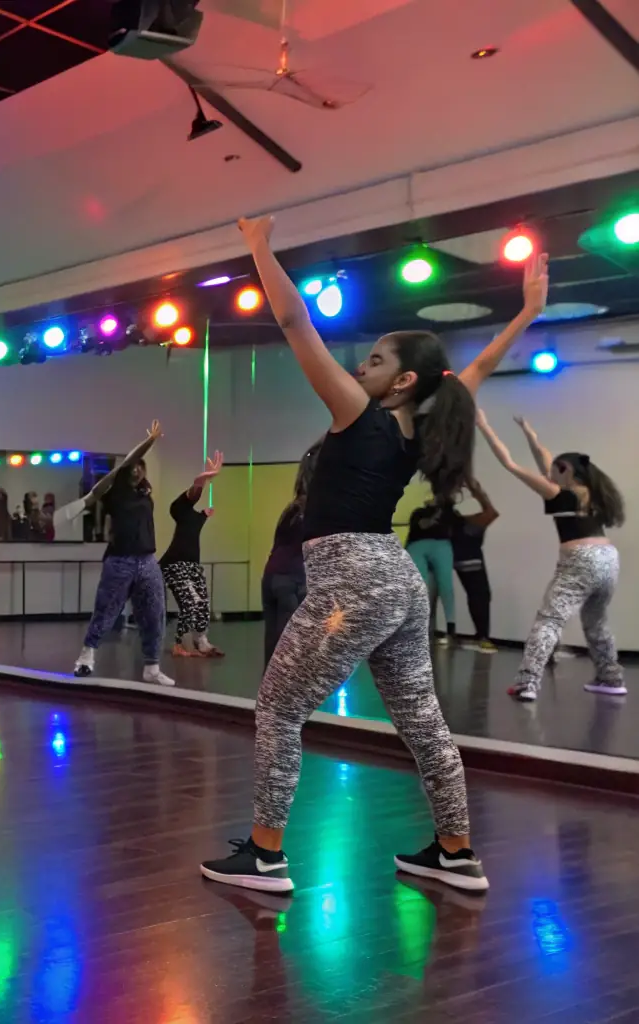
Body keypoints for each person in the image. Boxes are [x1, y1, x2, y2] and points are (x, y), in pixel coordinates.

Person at [200, 215, 548, 896]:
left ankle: (265, 855)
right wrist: (526, 312)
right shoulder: (423, 423)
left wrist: (259, 247)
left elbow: (295, 322)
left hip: (354, 578)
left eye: (376, 361)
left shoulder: (358, 414)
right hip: (394, 578)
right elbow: (472, 370)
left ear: (400, 381)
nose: (360, 366)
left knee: (276, 708)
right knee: (420, 719)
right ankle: (454, 852)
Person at [476, 411, 625, 700]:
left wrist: (483, 425)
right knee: (597, 622)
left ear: (564, 470)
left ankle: (526, 683)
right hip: (609, 560)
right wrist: (529, 434)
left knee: (550, 621)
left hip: (580, 560)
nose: (548, 475)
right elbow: (546, 458)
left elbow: (508, 462)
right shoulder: (592, 492)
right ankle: (611, 678)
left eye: (553, 471)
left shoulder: (556, 492)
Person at [71, 422, 172, 687]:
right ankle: (86, 657)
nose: (138, 469)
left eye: (142, 466)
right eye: (134, 466)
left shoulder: (145, 494)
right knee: (106, 611)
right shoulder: (114, 490)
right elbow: (127, 461)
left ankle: (152, 666)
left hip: (148, 560)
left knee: (154, 613)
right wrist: (149, 441)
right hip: (120, 560)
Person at [160, 451, 225, 658]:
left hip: (192, 565)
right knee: (189, 602)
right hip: (174, 564)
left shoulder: (194, 516)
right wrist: (205, 478)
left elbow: (198, 511)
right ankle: (179, 643)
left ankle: (201, 641)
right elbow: (195, 488)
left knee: (203, 602)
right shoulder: (178, 508)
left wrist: (205, 514)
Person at [261, 444, 320, 666]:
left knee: (274, 648)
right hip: (293, 581)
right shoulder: (317, 508)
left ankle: (268, 697)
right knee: (292, 654)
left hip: (272, 577)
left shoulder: (293, 508)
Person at [449, 478, 499, 652]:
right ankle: (483, 637)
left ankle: (449, 636)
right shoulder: (468, 524)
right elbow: (492, 513)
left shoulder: (458, 523)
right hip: (469, 561)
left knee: (477, 596)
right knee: (480, 596)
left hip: (454, 559)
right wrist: (476, 490)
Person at [405, 497, 457, 646]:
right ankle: (417, 630)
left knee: (446, 586)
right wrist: (435, 515)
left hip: (440, 544)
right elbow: (421, 525)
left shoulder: (449, 513)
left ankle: (451, 630)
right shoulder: (419, 512)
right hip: (417, 545)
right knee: (420, 588)